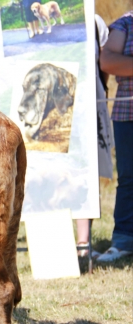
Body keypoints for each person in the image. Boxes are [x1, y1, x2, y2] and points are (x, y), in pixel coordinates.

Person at [75, 14, 114, 259]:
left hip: (88, 102)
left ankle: (83, 243)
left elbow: (103, 64)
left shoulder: (93, 18)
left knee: (85, 170)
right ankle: (80, 243)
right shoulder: (93, 17)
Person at [97, 11, 133, 262]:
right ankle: (123, 241)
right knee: (129, 177)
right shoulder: (126, 22)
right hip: (127, 113)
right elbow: (108, 60)